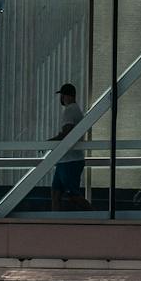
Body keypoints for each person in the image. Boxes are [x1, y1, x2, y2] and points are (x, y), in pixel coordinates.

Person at [49, 82, 91, 211]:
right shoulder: (76, 109)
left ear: (66, 96)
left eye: (62, 95)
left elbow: (67, 133)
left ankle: (96, 214)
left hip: (69, 161)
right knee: (56, 193)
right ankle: (55, 221)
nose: (61, 98)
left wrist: (49, 142)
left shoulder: (70, 110)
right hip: (66, 160)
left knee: (72, 195)